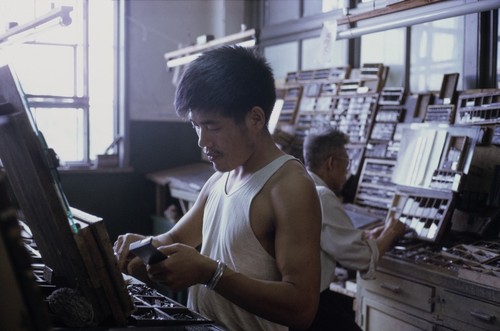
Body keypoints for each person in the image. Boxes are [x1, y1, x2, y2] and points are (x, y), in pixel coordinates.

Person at [114, 46, 322, 331]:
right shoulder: (221, 178)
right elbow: (177, 236)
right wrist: (142, 247)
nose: (202, 141)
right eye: (196, 126)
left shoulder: (289, 187)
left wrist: (211, 274)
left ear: (256, 119)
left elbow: (302, 308)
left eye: (213, 127)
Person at [301, 128, 406, 331]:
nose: (347, 171)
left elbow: (327, 236)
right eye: (346, 163)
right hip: (311, 304)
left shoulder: (302, 184)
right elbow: (360, 258)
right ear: (332, 163)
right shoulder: (322, 196)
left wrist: (366, 234)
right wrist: (390, 233)